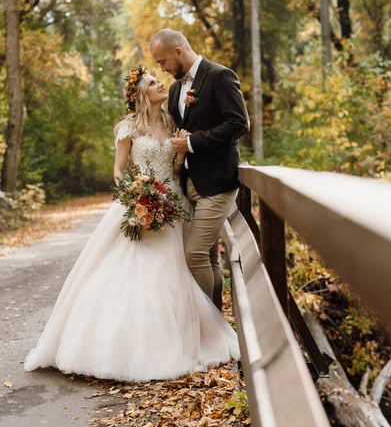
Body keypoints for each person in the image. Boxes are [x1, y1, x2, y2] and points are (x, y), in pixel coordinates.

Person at [24, 67, 239, 383]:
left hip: (174, 204)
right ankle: (122, 347)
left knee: (176, 271)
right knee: (135, 271)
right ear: (140, 93)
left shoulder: (172, 124)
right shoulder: (128, 129)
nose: (160, 83)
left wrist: (179, 156)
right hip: (139, 202)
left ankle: (182, 337)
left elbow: (178, 166)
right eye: (152, 82)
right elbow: (118, 170)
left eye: (158, 79)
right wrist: (137, 196)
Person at [150, 29, 250, 309]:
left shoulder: (220, 76)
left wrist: (193, 142)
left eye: (162, 61)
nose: (163, 68)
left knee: (193, 254)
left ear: (178, 51)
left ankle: (208, 326)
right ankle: (218, 330)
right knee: (208, 257)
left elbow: (239, 123)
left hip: (218, 182)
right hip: (189, 184)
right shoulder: (174, 89)